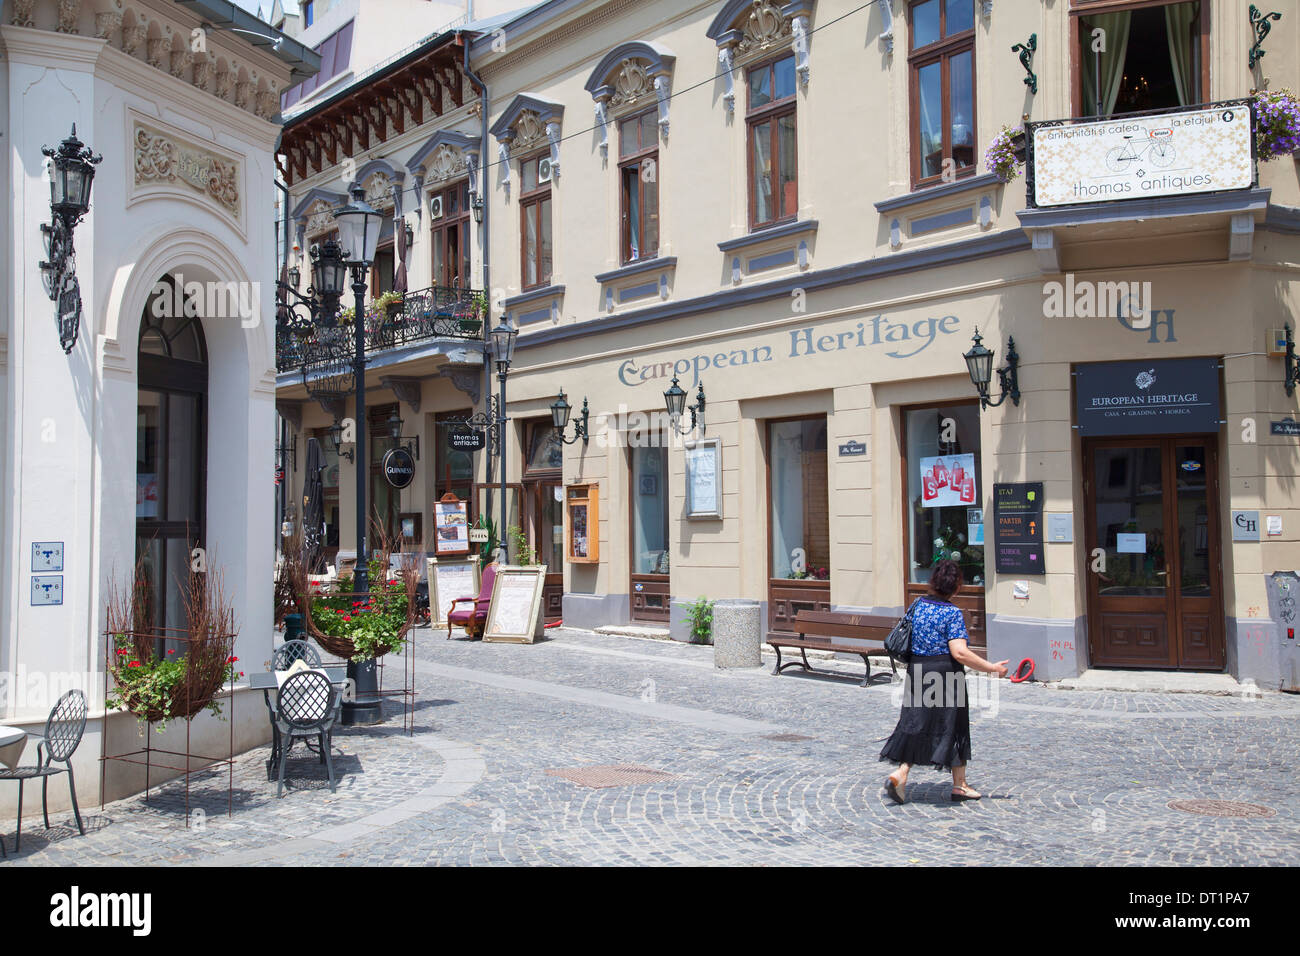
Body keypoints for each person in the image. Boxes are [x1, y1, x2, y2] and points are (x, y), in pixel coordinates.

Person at [880, 559, 1008, 803]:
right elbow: (959, 652)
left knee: (917, 722)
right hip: (945, 674)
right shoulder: (951, 613)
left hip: (918, 671)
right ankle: (958, 785)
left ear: (933, 581)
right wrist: (991, 668)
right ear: (956, 587)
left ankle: (902, 773)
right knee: (954, 725)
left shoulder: (917, 605)